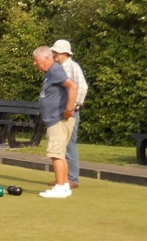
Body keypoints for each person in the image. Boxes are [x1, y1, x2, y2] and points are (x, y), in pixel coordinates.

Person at [32, 46, 77, 198]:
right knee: (60, 154)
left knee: (56, 154)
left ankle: (59, 187)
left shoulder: (55, 70)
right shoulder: (51, 72)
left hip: (58, 119)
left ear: (46, 58)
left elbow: (73, 86)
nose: (35, 64)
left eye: (36, 60)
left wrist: (69, 109)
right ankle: (64, 186)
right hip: (54, 120)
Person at [49, 40, 88, 189]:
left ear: (65, 53)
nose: (55, 54)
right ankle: (62, 179)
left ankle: (72, 179)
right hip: (58, 112)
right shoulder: (57, 68)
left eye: (57, 52)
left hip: (69, 112)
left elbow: (82, 87)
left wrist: (72, 108)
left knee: (69, 145)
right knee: (60, 145)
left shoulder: (73, 67)